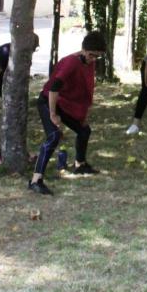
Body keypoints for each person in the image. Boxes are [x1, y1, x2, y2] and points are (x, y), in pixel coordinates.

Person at [28, 31, 106, 195]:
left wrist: (83, 115)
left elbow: (88, 89)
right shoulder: (70, 63)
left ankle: (80, 165)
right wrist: (53, 114)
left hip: (64, 104)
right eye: (91, 55)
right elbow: (53, 89)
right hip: (48, 101)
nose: (93, 59)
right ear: (83, 49)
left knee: (84, 130)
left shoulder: (89, 62)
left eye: (97, 57)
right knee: (54, 136)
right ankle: (36, 180)